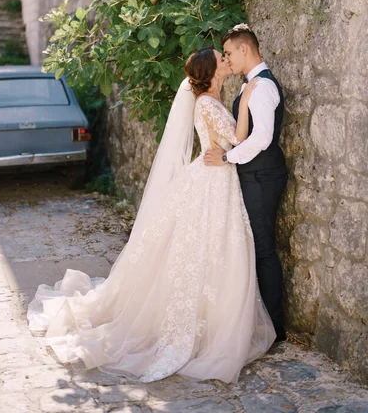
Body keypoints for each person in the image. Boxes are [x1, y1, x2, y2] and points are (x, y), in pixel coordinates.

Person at [27, 47, 276, 384]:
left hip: (218, 179)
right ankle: (194, 326)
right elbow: (239, 139)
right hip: (211, 183)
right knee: (204, 248)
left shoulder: (212, 99)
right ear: (211, 70)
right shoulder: (206, 103)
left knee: (213, 250)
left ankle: (213, 318)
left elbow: (229, 145)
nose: (226, 60)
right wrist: (246, 101)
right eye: (221, 58)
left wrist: (233, 128)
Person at [204, 25, 288, 343]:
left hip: (262, 176)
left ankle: (274, 330)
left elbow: (262, 138)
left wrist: (227, 159)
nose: (226, 58)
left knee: (264, 250)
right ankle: (262, 324)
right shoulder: (251, 84)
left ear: (244, 49)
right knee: (256, 248)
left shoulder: (263, 86)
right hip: (254, 175)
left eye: (228, 52)